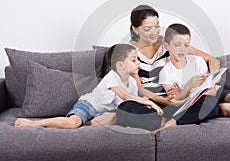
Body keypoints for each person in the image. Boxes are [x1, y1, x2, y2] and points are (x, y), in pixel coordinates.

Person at [14, 44, 163, 129]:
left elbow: (134, 98)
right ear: (120, 65)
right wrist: (148, 101)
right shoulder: (112, 76)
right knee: (73, 123)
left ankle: (88, 123)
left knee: (116, 117)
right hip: (88, 106)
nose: (138, 63)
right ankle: (34, 123)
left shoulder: (131, 82)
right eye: (134, 60)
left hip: (104, 112)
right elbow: (124, 96)